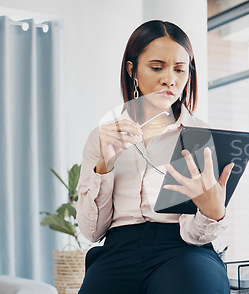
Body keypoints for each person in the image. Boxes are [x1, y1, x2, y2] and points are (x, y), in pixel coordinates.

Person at [76, 20, 234, 294]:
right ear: (132, 70)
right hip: (118, 248)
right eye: (157, 67)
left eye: (180, 69)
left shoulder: (201, 136)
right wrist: (104, 166)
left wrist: (212, 211)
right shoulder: (102, 136)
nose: (169, 79)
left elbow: (194, 235)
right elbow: (93, 232)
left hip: (183, 250)